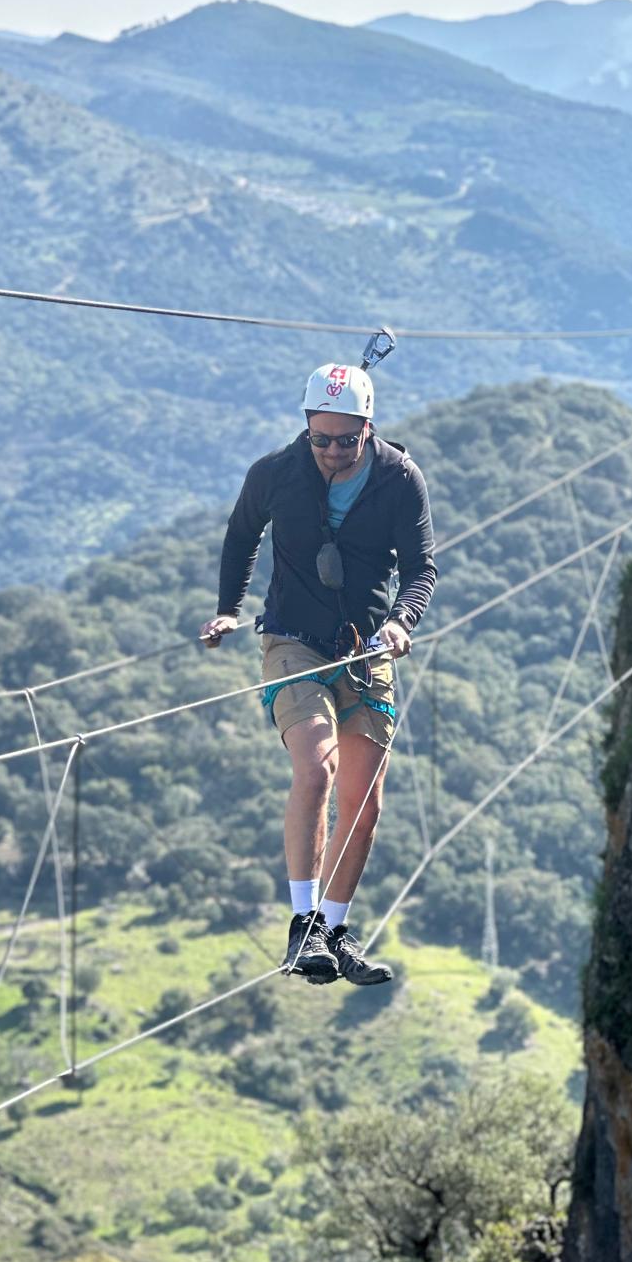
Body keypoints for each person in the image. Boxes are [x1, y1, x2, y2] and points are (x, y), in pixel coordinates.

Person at [202, 364, 436, 987]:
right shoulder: (277, 473)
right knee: (318, 765)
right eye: (320, 439)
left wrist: (402, 620)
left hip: (366, 647)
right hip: (292, 640)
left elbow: (420, 567)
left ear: (367, 427)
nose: (332, 451)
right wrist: (229, 608)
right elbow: (241, 535)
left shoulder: (397, 479)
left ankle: (335, 929)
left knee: (364, 798)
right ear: (307, 428)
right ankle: (303, 923)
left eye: (344, 439)